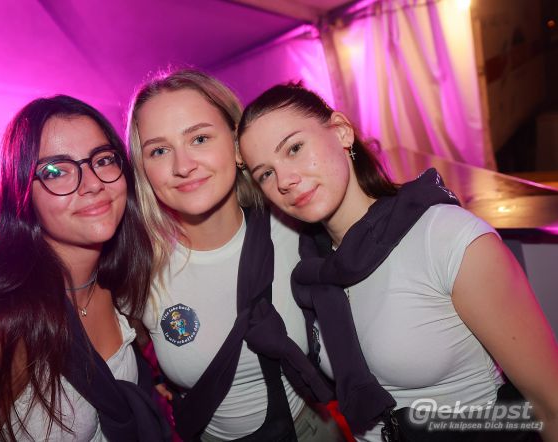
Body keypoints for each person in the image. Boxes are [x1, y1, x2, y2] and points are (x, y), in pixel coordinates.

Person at [236, 82, 558, 441]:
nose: (285, 180)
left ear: (341, 131)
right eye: (265, 173)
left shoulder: (444, 237)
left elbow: (550, 406)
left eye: (295, 148)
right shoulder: (315, 270)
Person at [0, 95, 170, 441]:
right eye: (56, 171)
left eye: (103, 160)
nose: (93, 183)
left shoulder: (118, 282)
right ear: (21, 193)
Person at [126, 69, 344, 441]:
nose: (183, 166)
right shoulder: (136, 267)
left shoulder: (298, 228)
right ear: (143, 168)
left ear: (236, 142)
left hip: (312, 429)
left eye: (199, 138)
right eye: (159, 150)